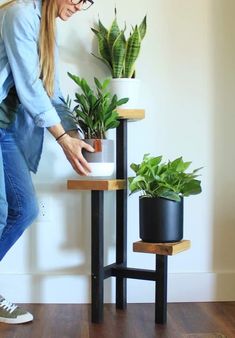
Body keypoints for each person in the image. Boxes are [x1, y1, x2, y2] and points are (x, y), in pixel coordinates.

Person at [0, 0, 94, 324]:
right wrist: (61, 139)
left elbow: (49, 89)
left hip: (7, 129)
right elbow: (29, 87)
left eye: (89, 1)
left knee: (24, 209)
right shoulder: (20, 15)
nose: (81, 6)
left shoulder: (46, 26)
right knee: (0, 213)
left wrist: (73, 132)